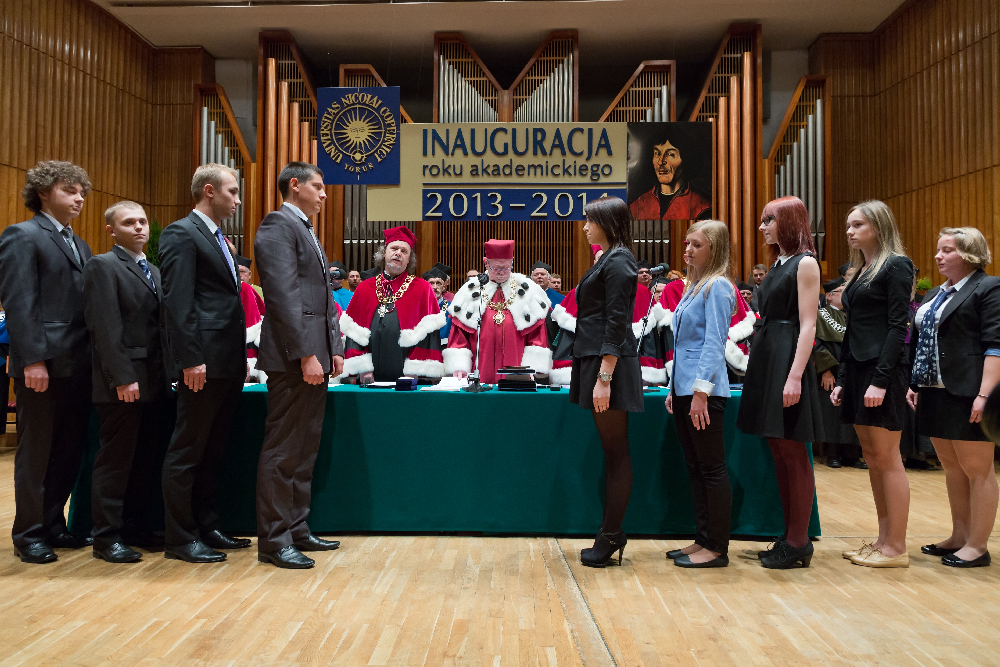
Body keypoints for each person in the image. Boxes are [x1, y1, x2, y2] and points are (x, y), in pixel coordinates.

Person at [0, 161, 95, 564]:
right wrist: (32, 360)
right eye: (70, 190)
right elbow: (20, 303)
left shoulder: (81, 244)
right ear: (42, 192)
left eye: (82, 193)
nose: (79, 199)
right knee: (36, 452)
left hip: (78, 363)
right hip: (43, 365)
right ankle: (29, 533)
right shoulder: (22, 235)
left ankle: (54, 523)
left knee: (67, 450)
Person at [254, 162, 345, 569]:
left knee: (305, 446)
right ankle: (274, 540)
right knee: (283, 448)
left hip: (316, 354)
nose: (324, 194)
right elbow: (283, 296)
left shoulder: (305, 228)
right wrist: (306, 354)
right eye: (318, 186)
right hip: (294, 357)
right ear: (295, 185)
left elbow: (322, 299)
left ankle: (296, 527)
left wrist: (333, 348)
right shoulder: (278, 224)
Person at [159, 163, 249, 564]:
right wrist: (191, 359)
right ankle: (180, 537)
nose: (237, 200)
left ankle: (207, 524)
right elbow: (178, 303)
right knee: (188, 449)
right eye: (232, 191)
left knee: (213, 449)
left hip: (226, 361)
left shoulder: (220, 239)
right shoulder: (182, 232)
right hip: (202, 362)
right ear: (209, 191)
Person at [737, 196, 823, 570]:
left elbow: (809, 324)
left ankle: (799, 541)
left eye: (769, 220)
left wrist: (795, 376)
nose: (763, 227)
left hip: (787, 355)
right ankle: (789, 536)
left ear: (788, 221)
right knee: (778, 448)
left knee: (793, 450)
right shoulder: (778, 264)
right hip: (769, 352)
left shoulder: (805, 263)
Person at [906, 227, 1000, 568]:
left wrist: (985, 395)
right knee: (952, 468)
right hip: (934, 390)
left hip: (968, 391)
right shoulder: (935, 294)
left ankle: (978, 545)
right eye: (938, 249)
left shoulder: (988, 287)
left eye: (947, 250)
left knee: (977, 469)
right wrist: (915, 382)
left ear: (970, 254)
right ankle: (959, 536)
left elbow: (995, 346)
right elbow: (923, 341)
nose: (938, 256)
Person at [84, 201, 170, 563]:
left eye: (143, 221)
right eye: (129, 222)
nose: (139, 228)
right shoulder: (103, 266)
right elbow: (105, 328)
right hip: (123, 381)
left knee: (144, 459)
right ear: (111, 231)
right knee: (116, 461)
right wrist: (121, 377)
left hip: (154, 380)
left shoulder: (154, 271)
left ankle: (135, 526)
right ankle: (106, 536)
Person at [830, 200, 915, 568]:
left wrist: (881, 379)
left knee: (888, 457)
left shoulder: (897, 265)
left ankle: (896, 546)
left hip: (882, 371)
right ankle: (882, 540)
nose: (850, 231)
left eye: (858, 225)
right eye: (849, 225)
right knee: (872, 457)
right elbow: (853, 330)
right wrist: (843, 378)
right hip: (858, 369)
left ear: (879, 227)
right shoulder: (863, 269)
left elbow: (898, 327)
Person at [571, 196, 643, 568]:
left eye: (590, 220)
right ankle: (610, 531)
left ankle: (612, 535)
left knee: (617, 453)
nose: (585, 227)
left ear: (608, 223)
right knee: (612, 452)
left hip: (609, 366)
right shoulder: (609, 258)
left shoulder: (619, 260)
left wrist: (604, 378)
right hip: (599, 361)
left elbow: (617, 321)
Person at [665, 220, 735, 568]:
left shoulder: (717, 286)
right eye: (687, 243)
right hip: (684, 389)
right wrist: (672, 388)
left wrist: (700, 393)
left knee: (711, 468)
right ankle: (703, 538)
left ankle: (717, 547)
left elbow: (713, 343)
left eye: (697, 244)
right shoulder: (694, 286)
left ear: (714, 249)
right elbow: (683, 346)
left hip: (704, 393)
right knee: (695, 467)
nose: (688, 250)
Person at [341, 227, 445, 382]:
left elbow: (429, 335)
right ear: (384, 253)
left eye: (404, 251)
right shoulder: (364, 288)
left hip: (408, 377)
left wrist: (415, 370)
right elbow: (354, 332)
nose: (398, 253)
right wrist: (361, 367)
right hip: (369, 376)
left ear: (409, 259)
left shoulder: (423, 288)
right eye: (394, 248)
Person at [445, 240, 552, 382]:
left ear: (512, 262)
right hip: (479, 372)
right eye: (496, 268)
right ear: (485, 263)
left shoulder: (528, 291)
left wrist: (532, 367)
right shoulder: (470, 291)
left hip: (517, 372)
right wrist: (459, 366)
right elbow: (459, 336)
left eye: (506, 267)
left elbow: (537, 335)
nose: (501, 272)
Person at [815, 280, 865, 469]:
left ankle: (852, 454)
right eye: (841, 291)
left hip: (852, 369)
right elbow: (815, 343)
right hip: (831, 372)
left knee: (853, 411)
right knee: (832, 413)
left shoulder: (852, 315)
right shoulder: (820, 315)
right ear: (829, 296)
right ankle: (833, 453)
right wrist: (826, 370)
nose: (846, 295)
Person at [628, 128, 712, 221]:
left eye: (670, 154)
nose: (660, 162)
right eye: (657, 153)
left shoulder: (702, 207)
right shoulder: (637, 206)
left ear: (685, 159)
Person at [423, 267, 452, 345]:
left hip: (444, 347)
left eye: (438, 283)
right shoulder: (419, 307)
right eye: (431, 283)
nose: (435, 287)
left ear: (443, 287)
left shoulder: (451, 308)